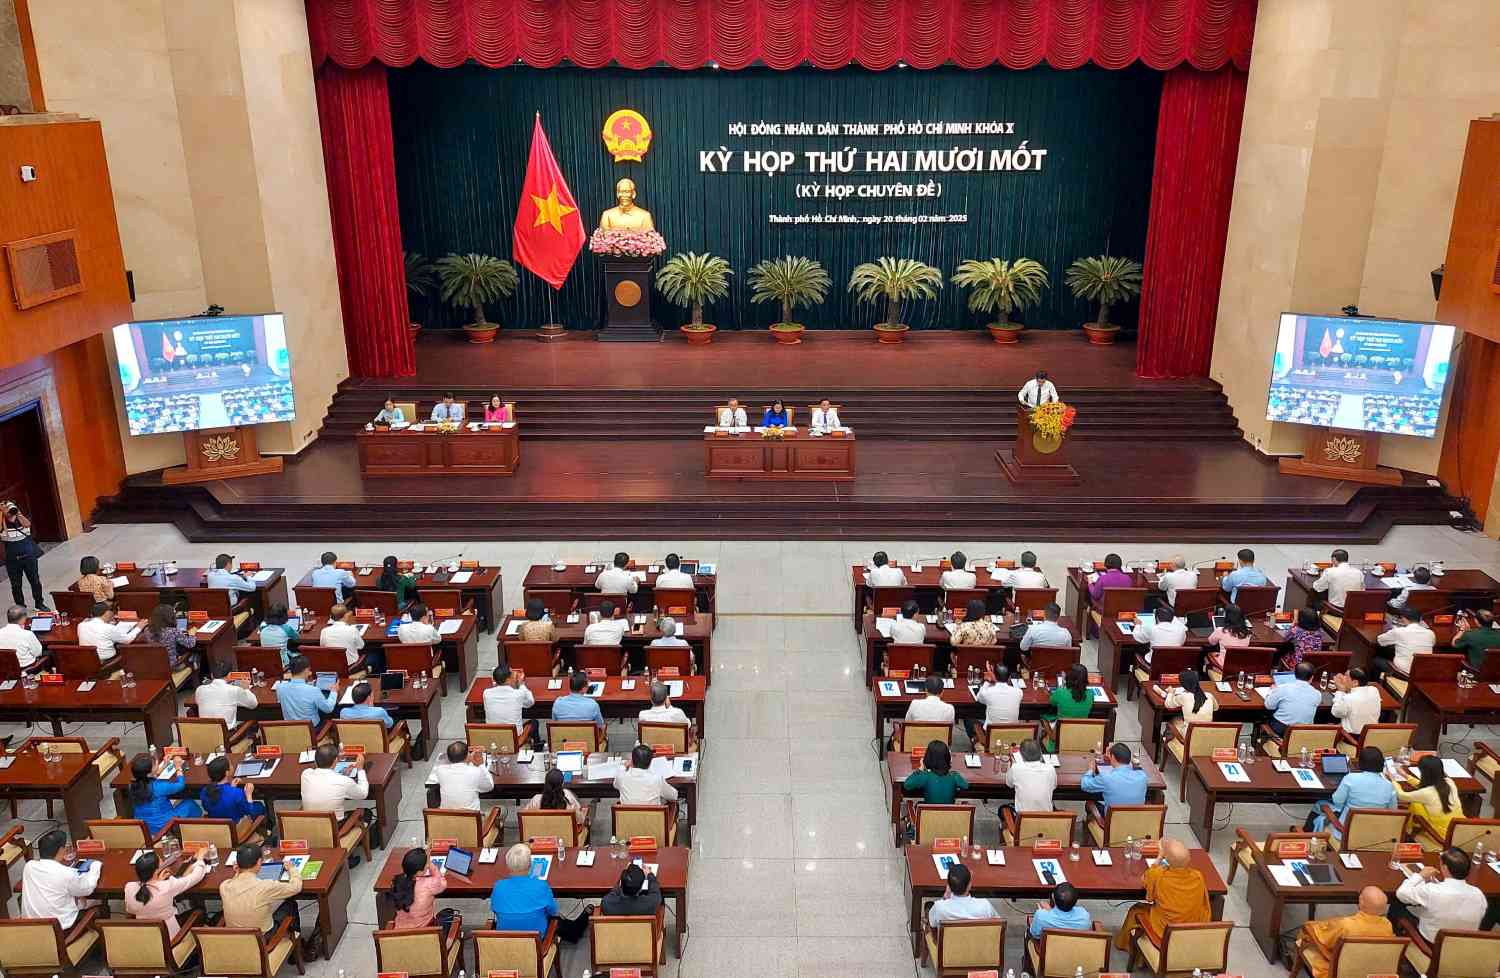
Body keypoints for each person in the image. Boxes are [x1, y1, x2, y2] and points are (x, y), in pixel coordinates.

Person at [1113, 838, 1211, 950]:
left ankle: (1127, 947)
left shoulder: (1159, 875)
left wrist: (1159, 856)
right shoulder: (1198, 876)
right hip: (1190, 929)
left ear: (1167, 859)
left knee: (1135, 910)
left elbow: (1146, 880)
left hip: (1166, 930)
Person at [1391, 846, 1486, 941]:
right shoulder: (1478, 894)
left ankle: (1394, 940)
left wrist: (1420, 876)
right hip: (1463, 945)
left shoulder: (1432, 890)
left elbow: (1401, 893)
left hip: (1433, 943)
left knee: (1397, 904)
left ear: (1444, 867)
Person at [1296, 885, 1393, 978]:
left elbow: (1323, 939)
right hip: (1371, 969)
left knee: (1308, 930)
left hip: (1338, 969)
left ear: (1361, 901)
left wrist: (1309, 926)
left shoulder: (1346, 925)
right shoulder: (1387, 925)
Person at [221, 842, 303, 937]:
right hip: (262, 941)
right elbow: (296, 887)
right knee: (290, 904)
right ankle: (297, 940)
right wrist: (292, 869)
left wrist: (237, 873)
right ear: (259, 862)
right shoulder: (265, 886)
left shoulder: (224, 886)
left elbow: (236, 883)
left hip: (236, 940)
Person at [21, 829, 100, 927]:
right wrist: (96, 865)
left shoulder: (29, 866)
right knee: (98, 907)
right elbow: (87, 888)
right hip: (61, 933)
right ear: (60, 850)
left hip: (31, 929)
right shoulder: (66, 873)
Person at [1310, 746, 1395, 837]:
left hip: (1345, 832)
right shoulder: (1389, 786)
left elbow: (1337, 801)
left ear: (1360, 763)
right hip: (1374, 835)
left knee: (1321, 803)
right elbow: (1393, 811)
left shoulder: (1350, 778)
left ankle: (1308, 835)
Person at [124, 847, 209, 936]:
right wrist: (200, 859)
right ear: (156, 870)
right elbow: (196, 876)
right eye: (161, 863)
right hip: (170, 939)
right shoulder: (167, 886)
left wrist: (158, 881)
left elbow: (131, 909)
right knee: (200, 912)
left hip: (145, 938)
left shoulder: (129, 887)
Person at [1390, 754, 1464, 842]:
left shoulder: (1426, 793)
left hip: (1443, 836)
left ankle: (1408, 831)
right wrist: (1405, 775)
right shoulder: (1449, 782)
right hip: (1460, 828)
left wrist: (1393, 780)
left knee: (1415, 804)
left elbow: (1402, 795)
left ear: (1424, 773)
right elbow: (1427, 790)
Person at [490, 843, 557, 935]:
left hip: (505, 941)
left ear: (508, 865)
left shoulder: (498, 887)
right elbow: (553, 911)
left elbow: (495, 910)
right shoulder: (541, 886)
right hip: (536, 943)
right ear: (530, 865)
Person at [126, 752, 201, 835]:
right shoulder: (159, 787)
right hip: (164, 825)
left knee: (176, 803)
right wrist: (178, 767)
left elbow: (148, 777)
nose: (157, 762)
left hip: (144, 826)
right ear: (149, 772)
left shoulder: (132, 785)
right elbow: (180, 785)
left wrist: (165, 764)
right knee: (189, 803)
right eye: (155, 764)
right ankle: (193, 829)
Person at [1081, 743, 1148, 816]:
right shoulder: (1142, 776)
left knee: (1089, 803)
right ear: (1129, 759)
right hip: (1136, 822)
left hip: (1111, 824)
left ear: (1112, 757)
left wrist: (1090, 770)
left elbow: (1085, 785)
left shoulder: (1106, 778)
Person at [200, 755, 267, 827]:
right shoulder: (236, 793)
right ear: (227, 773)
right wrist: (249, 795)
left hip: (219, 830)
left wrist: (231, 788)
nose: (233, 766)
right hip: (237, 831)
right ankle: (268, 828)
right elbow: (251, 813)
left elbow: (212, 807)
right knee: (259, 806)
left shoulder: (204, 791)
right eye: (231, 765)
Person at [1, 500, 44, 610]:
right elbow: (4, 532)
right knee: (16, 585)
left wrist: (17, 513)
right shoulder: (2, 522)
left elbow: (27, 524)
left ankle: (39, 603)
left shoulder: (22, 519)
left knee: (35, 581)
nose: (10, 511)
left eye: (12, 508)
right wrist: (2, 514)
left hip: (29, 556)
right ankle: (20, 606)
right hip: (12, 560)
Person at [390, 848, 449, 929]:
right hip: (426, 930)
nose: (428, 865)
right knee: (448, 915)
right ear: (419, 872)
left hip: (400, 933)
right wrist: (432, 865)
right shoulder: (429, 884)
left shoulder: (396, 881)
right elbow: (443, 883)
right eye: (426, 864)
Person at [427, 741, 494, 811]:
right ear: (467, 756)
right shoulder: (475, 771)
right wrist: (480, 765)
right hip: (472, 819)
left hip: (447, 818)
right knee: (503, 810)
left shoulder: (440, 770)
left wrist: (467, 760)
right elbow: (489, 787)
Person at [926, 863, 996, 929]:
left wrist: (945, 897)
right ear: (969, 886)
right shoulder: (985, 905)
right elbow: (997, 925)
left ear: (949, 886)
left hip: (951, 941)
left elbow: (932, 923)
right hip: (979, 941)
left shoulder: (940, 907)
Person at [1264, 662, 1322, 737]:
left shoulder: (1283, 688)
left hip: (1282, 729)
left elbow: (1268, 705)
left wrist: (1271, 691)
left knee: (1264, 716)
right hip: (1304, 732)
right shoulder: (1317, 694)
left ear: (1295, 674)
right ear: (1312, 678)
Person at [523, 767, 589, 833]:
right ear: (562, 783)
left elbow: (525, 818)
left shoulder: (536, 800)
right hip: (565, 838)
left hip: (541, 838)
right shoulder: (568, 798)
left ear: (545, 783)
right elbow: (580, 820)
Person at [1044, 664, 1095, 747]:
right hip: (1080, 738)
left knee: (1044, 717)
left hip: (1059, 741)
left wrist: (1063, 688)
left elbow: (1052, 702)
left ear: (1069, 677)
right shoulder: (1091, 694)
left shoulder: (1060, 692)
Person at [277, 655, 338, 724]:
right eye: (309, 670)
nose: (310, 672)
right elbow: (328, 708)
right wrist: (334, 691)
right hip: (312, 730)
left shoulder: (280, 687)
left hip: (291, 729)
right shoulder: (313, 690)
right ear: (306, 670)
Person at [197, 659, 258, 726]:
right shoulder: (234, 690)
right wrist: (245, 688)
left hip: (205, 733)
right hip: (227, 734)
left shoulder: (200, 690)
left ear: (212, 675)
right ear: (230, 675)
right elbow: (253, 704)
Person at [903, 741, 968, 803]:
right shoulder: (955, 776)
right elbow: (965, 786)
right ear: (948, 757)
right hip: (949, 813)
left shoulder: (925, 776)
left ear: (928, 757)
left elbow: (907, 785)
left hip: (928, 813)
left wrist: (920, 769)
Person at [614, 743, 679, 805]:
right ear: (650, 762)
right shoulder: (656, 779)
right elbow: (673, 796)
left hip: (626, 816)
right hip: (653, 816)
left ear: (632, 761)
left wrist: (623, 767)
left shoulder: (621, 777)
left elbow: (615, 785)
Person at [1378, 606, 1436, 673]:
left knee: (1376, 660)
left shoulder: (1398, 631)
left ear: (1404, 619)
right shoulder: (1431, 633)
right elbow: (1432, 644)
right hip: (1422, 674)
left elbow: (1380, 641)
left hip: (1403, 674)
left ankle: (1378, 683)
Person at [483, 665, 536, 738]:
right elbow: (530, 702)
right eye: (512, 674)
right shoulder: (518, 694)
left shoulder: (486, 693)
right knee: (534, 723)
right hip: (515, 739)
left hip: (493, 738)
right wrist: (521, 684)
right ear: (508, 679)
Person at [1006, 739, 1056, 813]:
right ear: (1041, 754)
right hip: (1046, 818)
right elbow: (1053, 786)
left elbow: (1009, 784)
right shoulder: (1050, 769)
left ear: (1022, 756)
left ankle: (1006, 824)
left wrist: (1011, 764)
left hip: (1022, 819)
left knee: (1001, 809)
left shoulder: (1016, 768)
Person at [144, 602, 198, 669]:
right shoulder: (172, 631)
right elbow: (190, 644)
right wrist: (192, 634)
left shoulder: (147, 630)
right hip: (173, 667)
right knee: (196, 654)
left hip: (157, 666)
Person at [1331, 668, 1381, 738]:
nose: (1343, 678)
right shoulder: (1374, 690)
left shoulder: (1348, 699)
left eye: (1346, 676)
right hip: (1371, 736)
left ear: (1355, 682)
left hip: (1352, 738)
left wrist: (1340, 691)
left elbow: (1335, 712)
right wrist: (1347, 687)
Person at [258, 603, 300, 667]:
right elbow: (297, 638)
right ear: (284, 616)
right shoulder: (286, 628)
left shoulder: (262, 627)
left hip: (266, 662)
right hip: (283, 663)